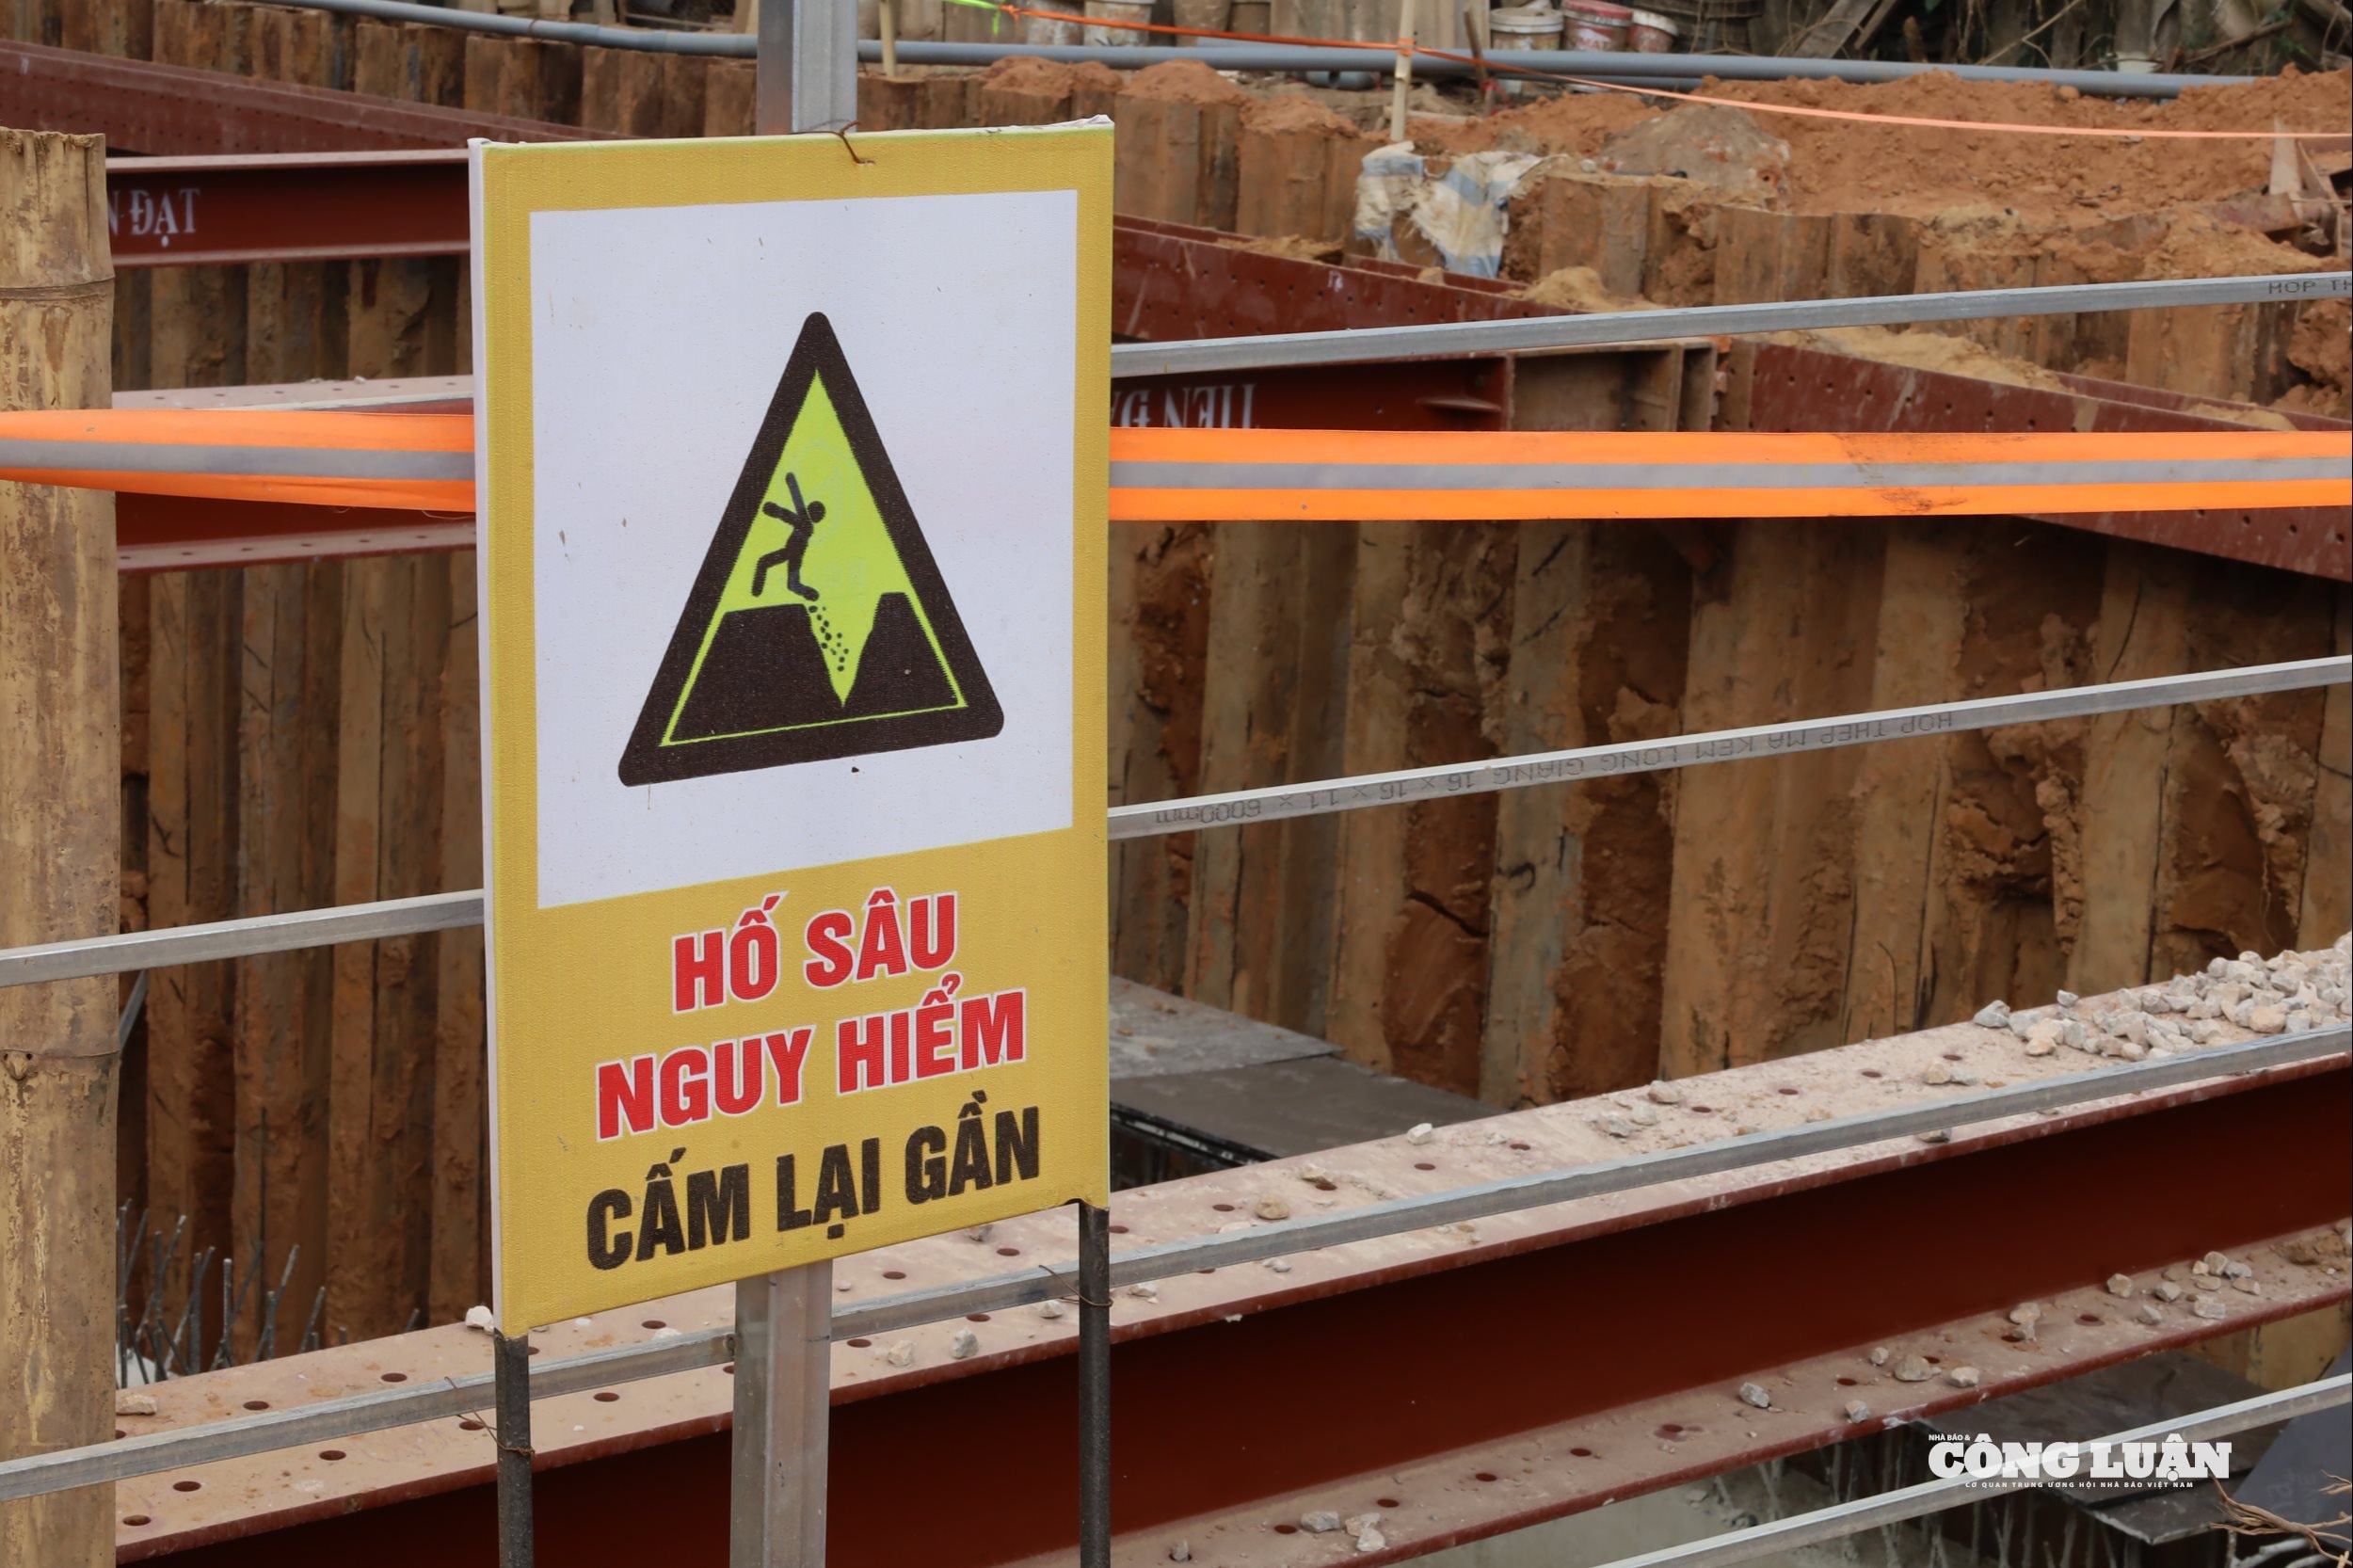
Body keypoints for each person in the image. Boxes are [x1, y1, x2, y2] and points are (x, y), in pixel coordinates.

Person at [751, 472, 824, 601]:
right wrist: (790, 481)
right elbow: (796, 502)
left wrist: (773, 509)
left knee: (763, 562)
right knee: (792, 584)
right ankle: (808, 592)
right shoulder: (806, 523)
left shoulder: (805, 523)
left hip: (791, 552)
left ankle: (756, 592)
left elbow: (795, 506)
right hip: (794, 554)